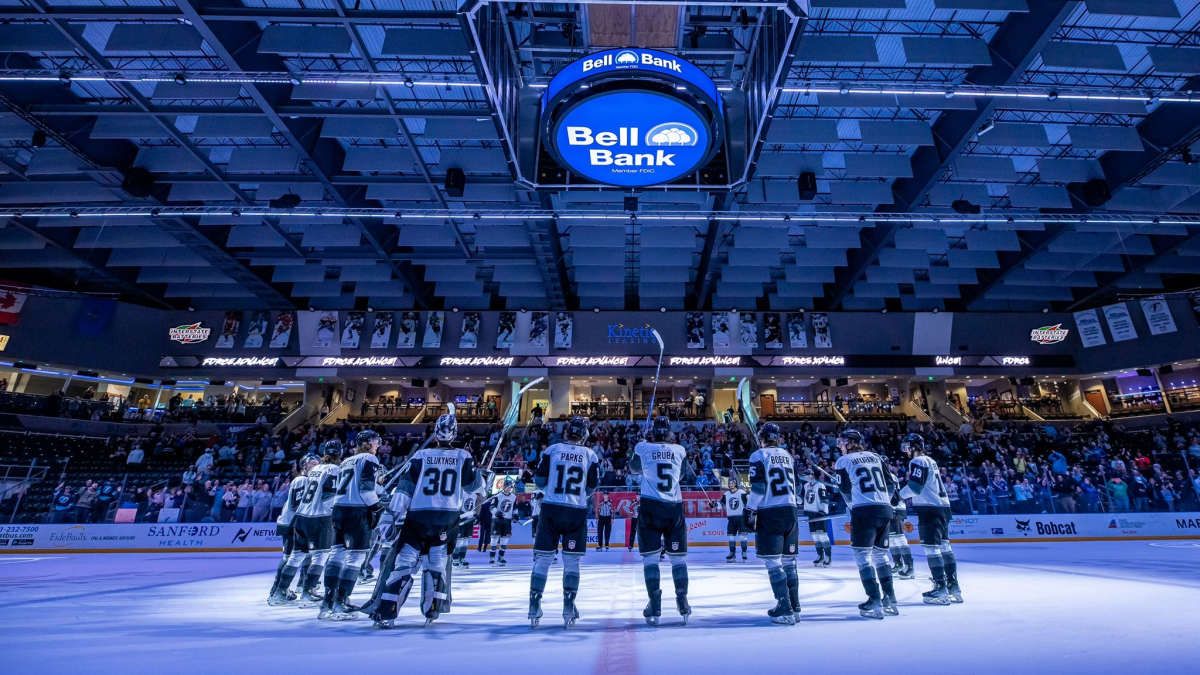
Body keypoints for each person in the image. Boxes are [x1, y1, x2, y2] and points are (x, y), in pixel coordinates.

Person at [368, 412, 481, 628]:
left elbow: (404, 490)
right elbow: (473, 491)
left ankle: (386, 612)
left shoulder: (421, 456)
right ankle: (432, 610)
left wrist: (390, 515)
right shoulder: (463, 456)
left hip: (418, 516)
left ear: (435, 433)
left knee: (404, 565)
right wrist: (479, 489)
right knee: (436, 565)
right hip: (446, 518)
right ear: (454, 433)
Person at [528, 416, 600, 628]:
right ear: (584, 435)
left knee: (542, 560)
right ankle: (568, 605)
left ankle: (534, 604)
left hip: (551, 508)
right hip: (575, 511)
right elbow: (592, 486)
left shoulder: (552, 450)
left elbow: (539, 481)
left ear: (567, 432)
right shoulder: (590, 454)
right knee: (571, 562)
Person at [630, 416, 696, 626]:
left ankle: (655, 603)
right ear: (669, 432)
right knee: (678, 559)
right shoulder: (679, 450)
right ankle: (682, 600)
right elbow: (684, 475)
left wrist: (639, 448)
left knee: (650, 559)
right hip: (673, 507)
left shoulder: (644, 447)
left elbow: (633, 469)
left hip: (650, 506)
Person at [833, 428, 898, 620]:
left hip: (864, 510)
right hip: (885, 509)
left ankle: (874, 599)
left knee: (862, 556)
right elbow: (892, 484)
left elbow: (845, 490)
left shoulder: (843, 461)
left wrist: (853, 506)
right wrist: (884, 501)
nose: (841, 446)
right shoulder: (876, 457)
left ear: (851, 442)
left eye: (843, 442)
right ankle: (890, 598)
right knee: (881, 556)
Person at [322, 431, 383, 620]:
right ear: (366, 443)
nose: (377, 444)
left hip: (339, 509)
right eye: (375, 441)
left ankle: (327, 603)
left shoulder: (346, 461)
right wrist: (377, 507)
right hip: (357, 512)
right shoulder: (369, 458)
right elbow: (365, 490)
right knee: (356, 557)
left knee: (337, 554)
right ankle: (341, 602)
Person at [744, 423, 801, 624]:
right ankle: (795, 607)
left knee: (773, 562)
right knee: (789, 561)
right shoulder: (788, 455)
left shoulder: (758, 455)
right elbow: (799, 484)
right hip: (791, 509)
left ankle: (784, 608)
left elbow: (758, 488)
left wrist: (750, 509)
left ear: (762, 438)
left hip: (771, 510)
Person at [900, 433, 963, 605]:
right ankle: (953, 586)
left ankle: (940, 588)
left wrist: (897, 496)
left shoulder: (917, 461)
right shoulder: (931, 460)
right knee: (944, 546)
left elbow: (915, 487)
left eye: (907, 446)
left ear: (914, 446)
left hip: (930, 508)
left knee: (931, 548)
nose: (905, 449)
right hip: (943, 507)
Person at [267, 460, 313, 605]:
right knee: (289, 557)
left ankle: (299, 586)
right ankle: (276, 591)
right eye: (312, 463)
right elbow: (296, 504)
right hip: (292, 524)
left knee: (304, 555)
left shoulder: (308, 480)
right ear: (304, 466)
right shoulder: (302, 480)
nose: (315, 466)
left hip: (294, 523)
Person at [800, 472, 833, 566]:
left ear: (812, 476)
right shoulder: (806, 485)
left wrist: (823, 511)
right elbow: (805, 498)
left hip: (819, 513)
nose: (805, 476)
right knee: (815, 536)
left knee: (822, 535)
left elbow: (824, 498)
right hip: (810, 513)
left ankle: (828, 556)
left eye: (807, 474)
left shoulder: (820, 485)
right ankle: (820, 556)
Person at [888, 470, 914, 579]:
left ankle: (909, 567)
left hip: (895, 508)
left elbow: (893, 492)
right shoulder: (887, 475)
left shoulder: (888, 475)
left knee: (899, 538)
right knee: (892, 539)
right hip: (892, 508)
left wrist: (893, 505)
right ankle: (898, 564)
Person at [489, 480, 517, 565]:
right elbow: (491, 507)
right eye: (508, 487)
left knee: (504, 541)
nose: (509, 489)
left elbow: (515, 508)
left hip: (507, 521)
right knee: (494, 540)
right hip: (497, 521)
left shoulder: (513, 497)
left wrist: (515, 515)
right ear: (504, 487)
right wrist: (496, 512)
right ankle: (492, 558)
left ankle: (501, 558)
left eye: (511, 487)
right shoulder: (497, 496)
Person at [721, 481, 749, 562]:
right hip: (731, 518)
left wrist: (748, 493)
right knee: (731, 536)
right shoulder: (726, 494)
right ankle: (732, 553)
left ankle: (744, 552)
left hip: (741, 518)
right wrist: (713, 504)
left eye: (732, 483)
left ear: (735, 484)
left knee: (742, 536)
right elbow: (721, 504)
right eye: (729, 483)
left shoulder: (741, 492)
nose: (730, 484)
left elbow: (749, 501)